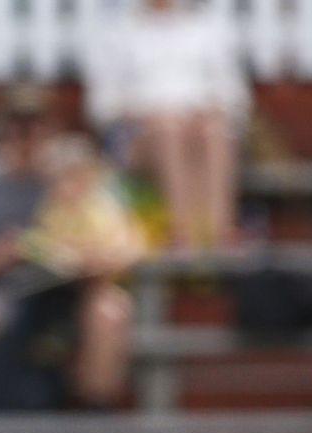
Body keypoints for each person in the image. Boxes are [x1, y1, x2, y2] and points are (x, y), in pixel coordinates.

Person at [0, 92, 135, 413]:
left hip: (67, 292)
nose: (27, 137)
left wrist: (90, 258)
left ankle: (97, 416)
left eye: (36, 127)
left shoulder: (78, 173)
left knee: (111, 311)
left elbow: (121, 240)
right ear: (2, 129)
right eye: (18, 127)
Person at [84, 0, 248, 254]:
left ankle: (219, 231)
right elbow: (103, 107)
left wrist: (204, 112)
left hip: (197, 132)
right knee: (169, 129)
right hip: (138, 139)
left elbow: (233, 97)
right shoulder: (117, 31)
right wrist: (147, 114)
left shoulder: (206, 28)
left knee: (213, 131)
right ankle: (180, 232)